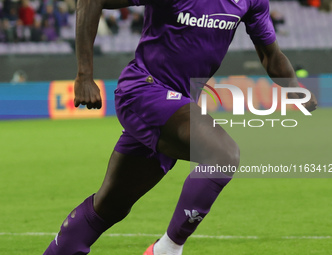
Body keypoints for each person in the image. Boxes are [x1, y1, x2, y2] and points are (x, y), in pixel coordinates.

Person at [43, 0, 318, 254]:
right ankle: (167, 250)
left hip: (176, 105)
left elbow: (271, 54)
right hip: (143, 90)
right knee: (222, 155)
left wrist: (293, 89)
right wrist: (84, 75)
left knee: (109, 206)